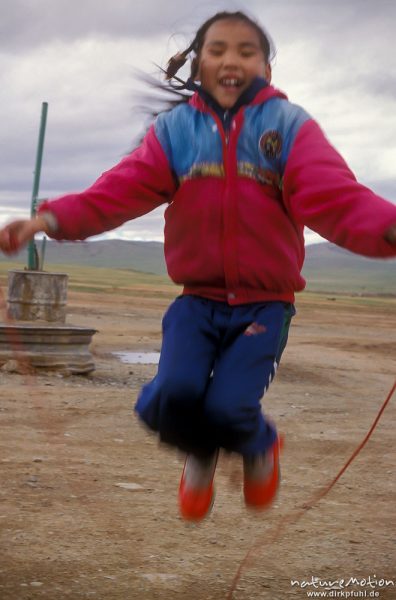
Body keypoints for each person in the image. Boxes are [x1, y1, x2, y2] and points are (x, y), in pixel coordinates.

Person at [1, 11, 396, 522]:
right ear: (198, 63)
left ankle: (259, 445)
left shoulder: (289, 128)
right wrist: (45, 220)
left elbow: (334, 195)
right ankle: (203, 452)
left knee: (231, 407)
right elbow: (116, 192)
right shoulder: (174, 132)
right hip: (197, 301)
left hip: (264, 306)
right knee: (164, 400)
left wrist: (387, 227)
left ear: (266, 69)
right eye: (217, 49)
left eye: (246, 51)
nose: (231, 59)